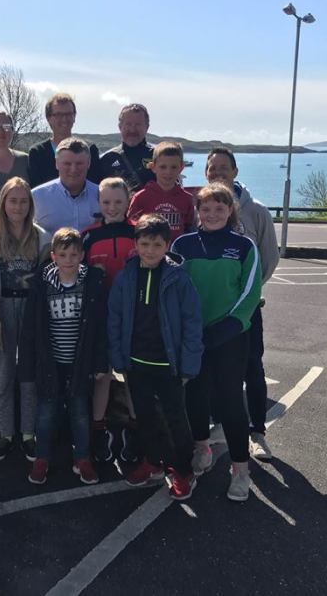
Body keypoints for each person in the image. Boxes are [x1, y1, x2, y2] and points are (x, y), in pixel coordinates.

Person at [171, 182, 262, 502]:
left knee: (230, 402)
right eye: (205, 209)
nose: (212, 214)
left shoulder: (244, 246)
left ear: (230, 211)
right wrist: (186, 330)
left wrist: (228, 327)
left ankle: (240, 470)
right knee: (194, 397)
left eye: (219, 209)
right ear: (197, 211)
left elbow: (250, 293)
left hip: (230, 338)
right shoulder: (182, 244)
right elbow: (173, 290)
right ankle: (202, 449)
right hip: (193, 337)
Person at [108, 214, 203, 500]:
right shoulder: (126, 277)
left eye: (157, 244)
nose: (150, 250)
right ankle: (153, 462)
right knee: (145, 418)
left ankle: (183, 470)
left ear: (167, 245)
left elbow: (192, 323)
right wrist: (118, 358)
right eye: (145, 244)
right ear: (135, 244)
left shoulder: (179, 279)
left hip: (168, 364)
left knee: (175, 420)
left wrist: (189, 364)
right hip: (136, 363)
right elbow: (115, 319)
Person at [0, 178, 51, 462]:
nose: (18, 206)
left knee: (29, 377)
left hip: (31, 311)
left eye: (23, 201)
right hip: (0, 312)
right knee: (3, 378)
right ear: (3, 203)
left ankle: (27, 434)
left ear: (30, 205)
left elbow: (49, 278)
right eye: (13, 201)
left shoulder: (42, 238)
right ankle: (6, 433)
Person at [205, 147, 279, 460]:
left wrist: (248, 294)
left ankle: (257, 432)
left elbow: (269, 258)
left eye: (224, 167)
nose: (218, 173)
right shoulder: (203, 209)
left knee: (252, 368)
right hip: (212, 311)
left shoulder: (256, 211)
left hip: (246, 311)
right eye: (212, 168)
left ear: (235, 172)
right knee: (215, 370)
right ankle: (220, 425)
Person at [19, 228, 108, 486]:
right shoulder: (42, 285)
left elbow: (100, 328)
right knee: (46, 412)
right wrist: (26, 366)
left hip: (80, 363)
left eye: (74, 254)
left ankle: (83, 458)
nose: (68, 259)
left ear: (82, 255)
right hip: (51, 362)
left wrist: (100, 362)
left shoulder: (92, 283)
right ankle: (42, 458)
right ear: (53, 256)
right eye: (63, 254)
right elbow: (30, 329)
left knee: (80, 412)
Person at [80, 177, 139, 463]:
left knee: (132, 375)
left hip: (133, 317)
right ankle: (99, 429)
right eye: (106, 202)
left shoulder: (138, 232)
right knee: (101, 375)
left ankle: (134, 431)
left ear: (128, 202)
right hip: (100, 317)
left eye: (118, 202)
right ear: (99, 202)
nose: (112, 207)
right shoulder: (89, 236)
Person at [27, 93, 101, 187]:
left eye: (68, 114)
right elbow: (35, 189)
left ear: (74, 116)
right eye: (58, 115)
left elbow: (95, 186)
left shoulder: (90, 150)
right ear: (48, 118)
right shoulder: (37, 153)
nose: (64, 119)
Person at [128, 141, 196, 242]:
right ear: (153, 167)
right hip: (150, 250)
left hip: (176, 250)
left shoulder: (187, 199)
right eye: (163, 167)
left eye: (173, 167)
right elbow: (131, 228)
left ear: (181, 167)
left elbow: (189, 228)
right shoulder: (141, 198)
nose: (168, 172)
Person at [32, 137, 99, 234]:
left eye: (79, 163)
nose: (73, 169)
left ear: (88, 163)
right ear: (56, 163)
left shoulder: (101, 196)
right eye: (67, 164)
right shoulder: (36, 197)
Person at [98, 103, 156, 193]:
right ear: (120, 127)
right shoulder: (107, 159)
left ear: (147, 127)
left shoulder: (159, 156)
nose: (132, 130)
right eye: (128, 124)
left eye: (138, 124)